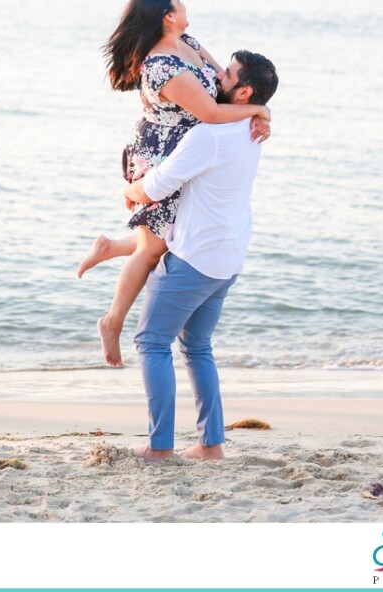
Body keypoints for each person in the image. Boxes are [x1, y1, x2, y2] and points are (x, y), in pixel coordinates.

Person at [77, 0, 272, 366]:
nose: (184, 3)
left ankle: (112, 247)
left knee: (169, 238)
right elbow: (212, 113)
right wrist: (257, 112)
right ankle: (112, 321)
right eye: (178, 0)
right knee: (153, 248)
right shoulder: (161, 66)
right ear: (167, 15)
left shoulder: (188, 42)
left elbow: (223, 84)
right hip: (160, 153)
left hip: (189, 149)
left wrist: (260, 109)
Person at [122, 46, 279, 462]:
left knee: (151, 342)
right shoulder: (251, 126)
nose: (216, 78)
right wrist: (262, 109)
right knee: (197, 348)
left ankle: (160, 448)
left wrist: (130, 190)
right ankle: (210, 446)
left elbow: (156, 187)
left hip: (195, 256)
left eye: (227, 75)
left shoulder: (208, 134)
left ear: (243, 92)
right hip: (228, 256)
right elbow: (209, 69)